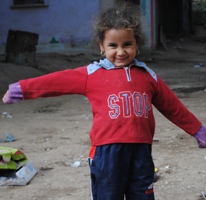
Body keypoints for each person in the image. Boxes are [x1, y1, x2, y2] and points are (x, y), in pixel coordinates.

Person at [2, 2, 206, 200]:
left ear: (137, 43)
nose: (120, 51)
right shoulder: (92, 74)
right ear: (102, 46)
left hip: (141, 152)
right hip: (106, 153)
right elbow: (55, 82)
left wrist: (197, 130)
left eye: (127, 44)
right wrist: (22, 88)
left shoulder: (148, 76)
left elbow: (172, 107)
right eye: (112, 45)